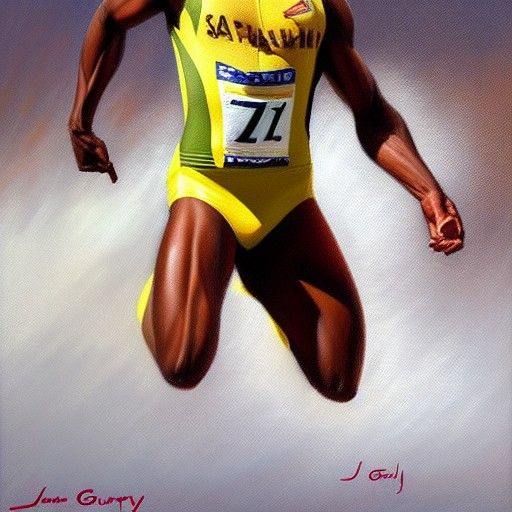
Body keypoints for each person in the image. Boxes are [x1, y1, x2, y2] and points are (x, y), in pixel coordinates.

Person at [69, 0, 464, 402]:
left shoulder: (324, 7)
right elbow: (109, 18)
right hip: (208, 186)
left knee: (339, 379)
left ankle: (259, 271)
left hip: (285, 196)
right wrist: (80, 119)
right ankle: (159, 295)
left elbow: (371, 110)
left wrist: (428, 191)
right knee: (182, 362)